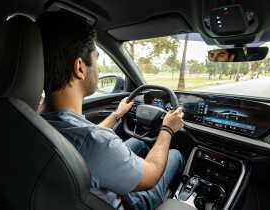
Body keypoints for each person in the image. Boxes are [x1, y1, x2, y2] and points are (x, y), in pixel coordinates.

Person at [37, 12, 185, 210]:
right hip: (122, 203)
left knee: (138, 141)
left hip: (67, 191)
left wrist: (117, 114)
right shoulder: (97, 143)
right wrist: (167, 129)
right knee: (174, 154)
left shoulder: (30, 116)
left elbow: (83, 139)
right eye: (96, 59)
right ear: (80, 68)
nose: (97, 68)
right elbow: (152, 174)